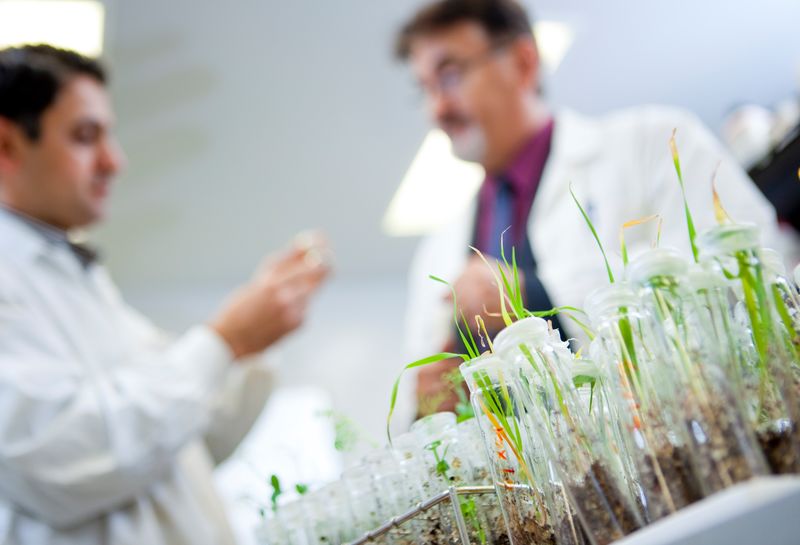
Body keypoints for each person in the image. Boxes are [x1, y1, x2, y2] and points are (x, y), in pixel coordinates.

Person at [0, 44, 330, 544]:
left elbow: (192, 436)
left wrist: (255, 337)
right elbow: (56, 464)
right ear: (6, 146)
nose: (115, 161)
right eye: (86, 136)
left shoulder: (79, 279)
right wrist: (225, 340)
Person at [395, 0, 791, 414]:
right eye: (425, 88)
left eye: (451, 75)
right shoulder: (439, 249)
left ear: (523, 62)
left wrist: (533, 298)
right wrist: (430, 402)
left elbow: (749, 267)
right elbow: (421, 401)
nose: (436, 109)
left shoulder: (653, 143)